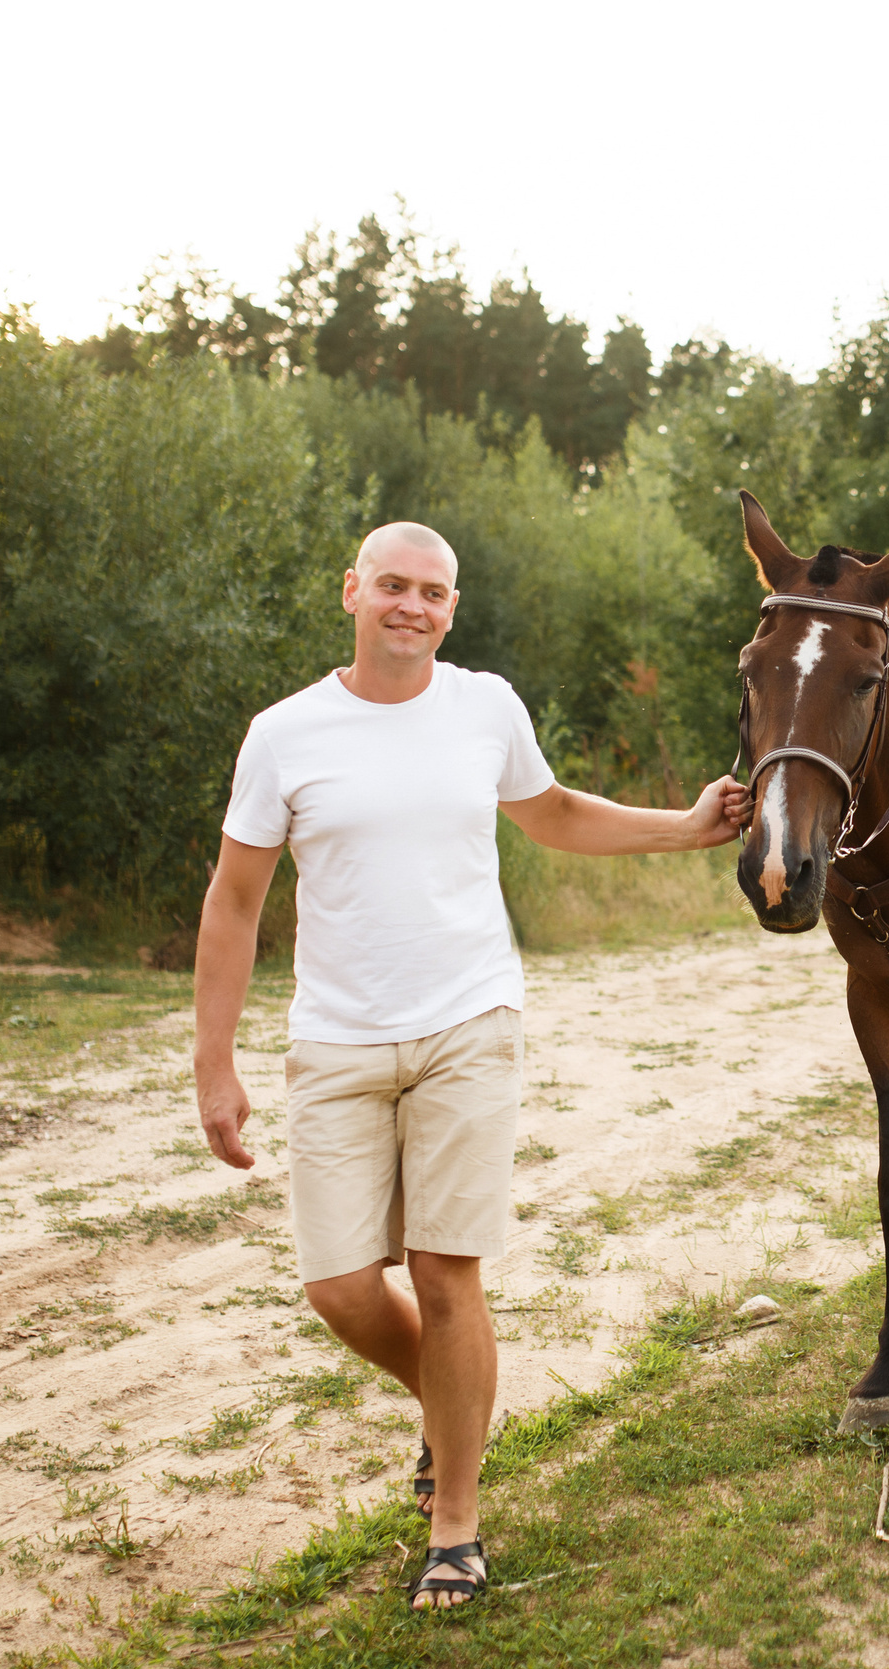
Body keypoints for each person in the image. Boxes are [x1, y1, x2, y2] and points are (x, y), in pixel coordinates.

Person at [191, 521, 747, 1611]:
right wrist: (215, 1063)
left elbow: (550, 814)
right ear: (352, 590)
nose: (411, 605)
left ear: (453, 608)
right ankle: (455, 1414)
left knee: (447, 1275)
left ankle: (456, 1522)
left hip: (468, 1024)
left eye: (432, 592)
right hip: (336, 1040)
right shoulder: (285, 733)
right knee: (342, 1287)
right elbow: (234, 898)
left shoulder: (484, 706)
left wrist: (682, 830)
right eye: (391, 585)